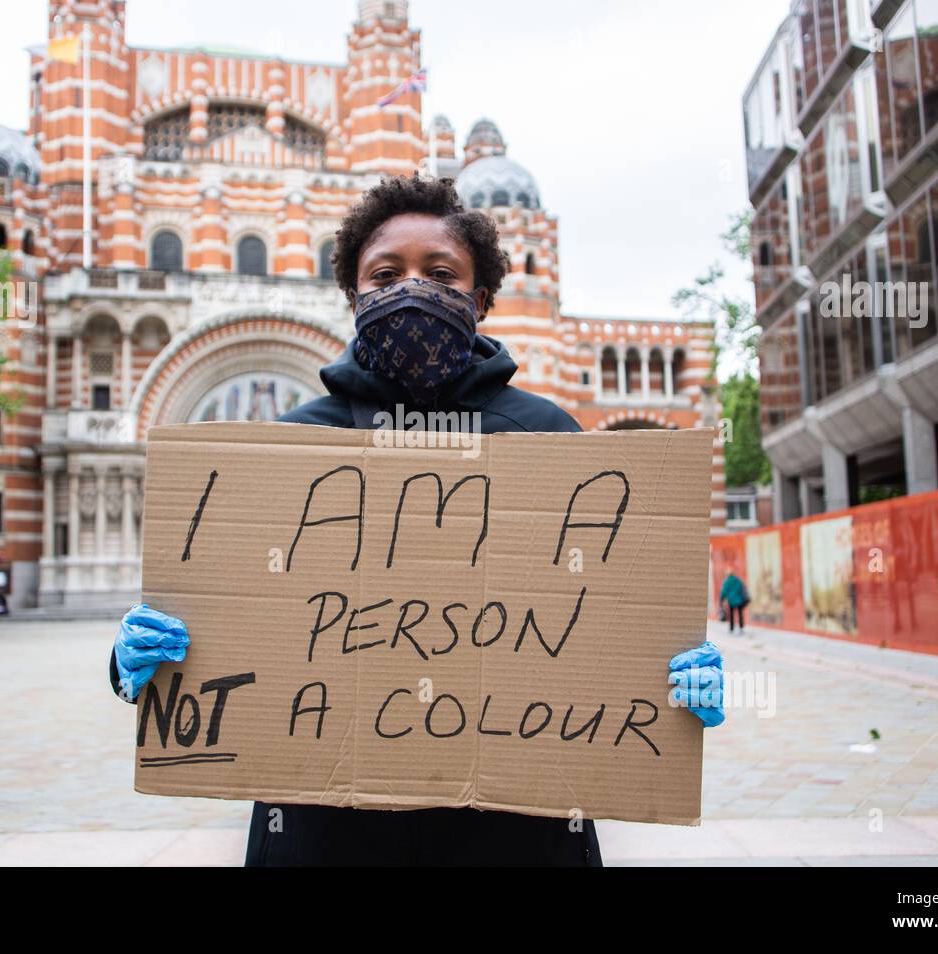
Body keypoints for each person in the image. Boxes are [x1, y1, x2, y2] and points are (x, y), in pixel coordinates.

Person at [109, 173, 726, 865]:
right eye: (385, 273)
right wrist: (140, 658)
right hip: (327, 833)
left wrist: (668, 673)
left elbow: (602, 615)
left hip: (514, 835)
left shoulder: (549, 438)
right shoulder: (288, 446)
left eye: (440, 273)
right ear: (353, 296)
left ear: (482, 297)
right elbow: (234, 612)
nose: (411, 289)